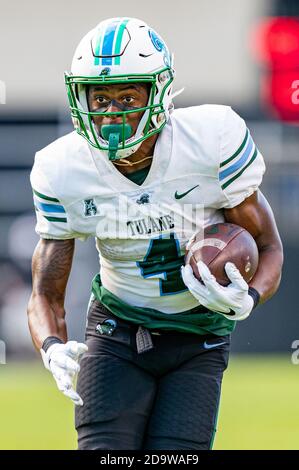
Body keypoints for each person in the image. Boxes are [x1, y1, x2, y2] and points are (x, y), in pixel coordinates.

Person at [27, 17, 283, 450]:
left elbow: (267, 246)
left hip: (199, 331)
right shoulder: (62, 169)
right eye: (100, 97)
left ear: (159, 94)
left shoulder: (211, 140)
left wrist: (248, 298)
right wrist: (51, 346)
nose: (112, 113)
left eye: (128, 95)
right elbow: (45, 293)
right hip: (116, 329)